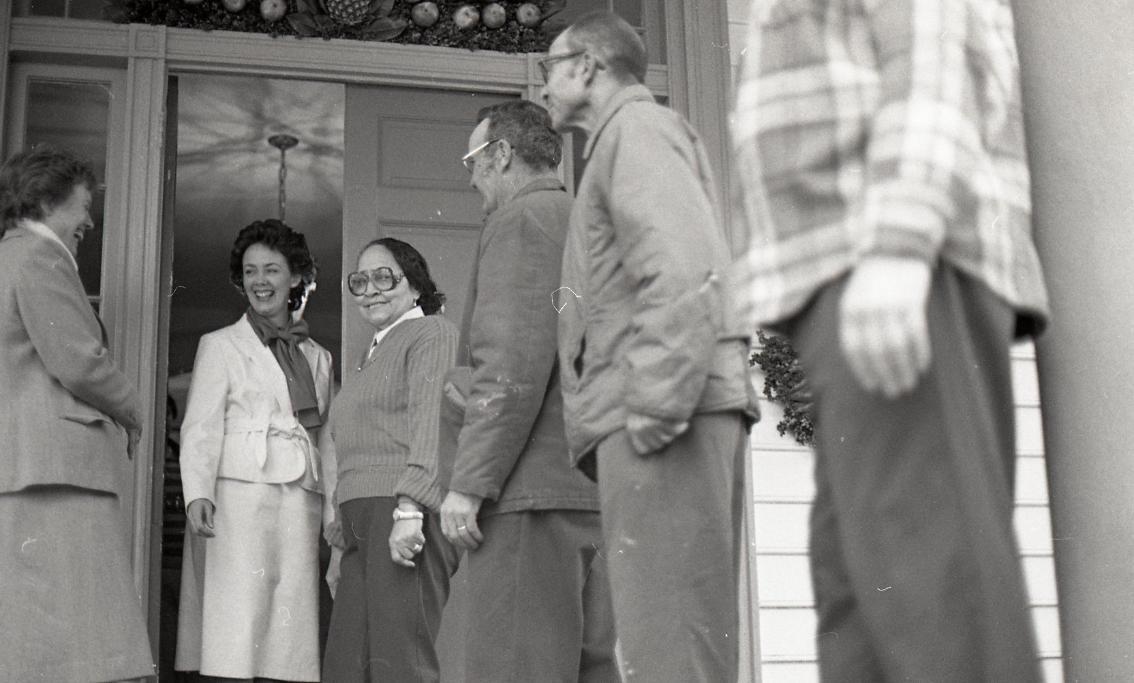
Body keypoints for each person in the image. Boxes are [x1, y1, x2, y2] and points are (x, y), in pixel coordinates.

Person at [732, 1, 1050, 680]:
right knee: (864, 607)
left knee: (932, 597)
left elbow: (933, 48)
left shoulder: (895, 254)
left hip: (892, 260)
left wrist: (900, 245)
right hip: (853, 269)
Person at [540, 12, 758, 682]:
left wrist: (655, 407)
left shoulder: (635, 131)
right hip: (656, 417)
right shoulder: (623, 138)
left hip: (665, 420)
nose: (543, 85)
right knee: (668, 645)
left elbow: (684, 268)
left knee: (673, 650)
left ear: (587, 67)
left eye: (551, 67)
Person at [437, 100, 618, 681]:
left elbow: (510, 365)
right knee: (591, 666)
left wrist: (470, 482)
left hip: (531, 496)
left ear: (501, 154)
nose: (470, 178)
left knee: (514, 667)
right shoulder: (590, 221)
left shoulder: (521, 220)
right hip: (594, 489)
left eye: (473, 161)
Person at [0, 145, 154, 681]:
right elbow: (78, 362)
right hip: (55, 469)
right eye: (84, 205)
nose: (89, 220)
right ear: (47, 201)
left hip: (29, 465)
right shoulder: (39, 256)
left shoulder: (9, 256)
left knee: (41, 638)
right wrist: (134, 409)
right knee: (80, 643)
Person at [175, 219, 334, 682]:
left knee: (289, 622)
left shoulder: (318, 357)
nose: (259, 282)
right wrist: (197, 493)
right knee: (239, 619)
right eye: (250, 272)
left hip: (300, 495)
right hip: (238, 494)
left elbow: (326, 439)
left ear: (296, 276)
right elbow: (200, 427)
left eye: (271, 270)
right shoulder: (220, 345)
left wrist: (331, 510)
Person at [321, 237, 460, 683]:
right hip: (361, 521)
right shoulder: (371, 353)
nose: (371, 290)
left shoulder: (431, 333)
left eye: (384, 277)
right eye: (360, 281)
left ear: (415, 286)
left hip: (400, 511)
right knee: (347, 667)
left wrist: (410, 510)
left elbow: (431, 421)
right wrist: (339, 543)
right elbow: (351, 447)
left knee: (400, 665)